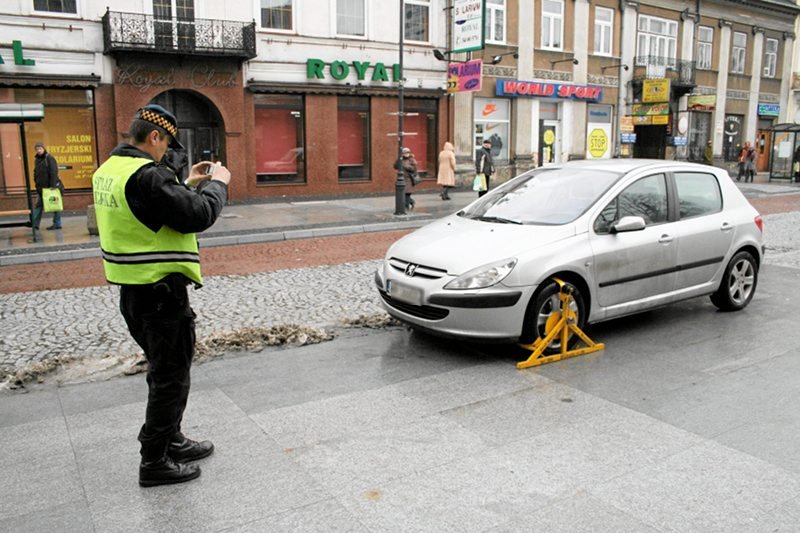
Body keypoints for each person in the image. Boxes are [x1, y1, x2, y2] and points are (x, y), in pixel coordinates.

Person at [92, 104, 231, 487]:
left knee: (163, 372)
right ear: (154, 136)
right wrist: (218, 182)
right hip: (161, 294)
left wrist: (184, 182)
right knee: (170, 376)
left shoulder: (110, 170)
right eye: (167, 145)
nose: (166, 153)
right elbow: (199, 214)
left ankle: (172, 438)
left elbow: (149, 210)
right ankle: (154, 459)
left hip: (134, 293)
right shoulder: (147, 175)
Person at [32, 142, 63, 230]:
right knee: (38, 205)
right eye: (37, 149)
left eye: (40, 148)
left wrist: (52, 186)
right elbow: (35, 172)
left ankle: (57, 223)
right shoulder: (37, 160)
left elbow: (54, 172)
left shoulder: (49, 158)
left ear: (43, 149)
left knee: (55, 205)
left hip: (50, 188)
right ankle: (34, 224)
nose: (38, 150)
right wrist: (36, 183)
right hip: (41, 188)